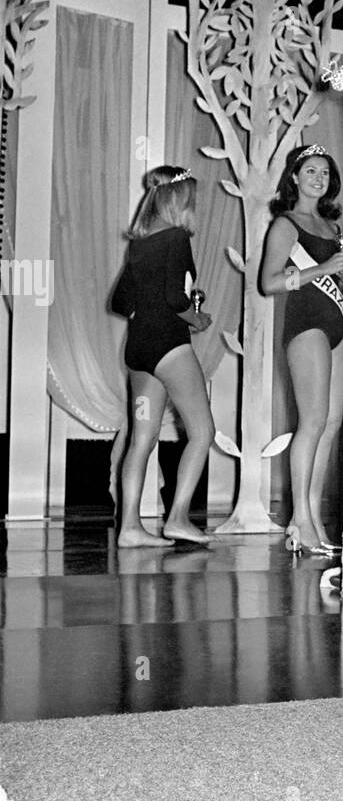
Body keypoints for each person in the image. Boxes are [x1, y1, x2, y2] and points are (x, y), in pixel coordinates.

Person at [261, 144, 343, 554]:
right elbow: (269, 283)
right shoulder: (285, 224)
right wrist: (322, 269)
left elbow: (335, 281)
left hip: (338, 323)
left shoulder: (334, 229)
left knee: (332, 424)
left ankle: (314, 518)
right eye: (311, 171)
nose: (319, 178)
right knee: (312, 421)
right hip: (306, 325)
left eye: (325, 172)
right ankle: (299, 519)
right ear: (295, 178)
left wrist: (342, 275)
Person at [110, 166, 214, 546]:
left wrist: (146, 312)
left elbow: (121, 301)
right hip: (170, 347)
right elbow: (176, 298)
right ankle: (178, 518)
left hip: (139, 352)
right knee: (203, 432)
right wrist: (196, 319)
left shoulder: (139, 244)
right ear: (180, 200)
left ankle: (130, 529)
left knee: (142, 439)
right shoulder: (175, 238)